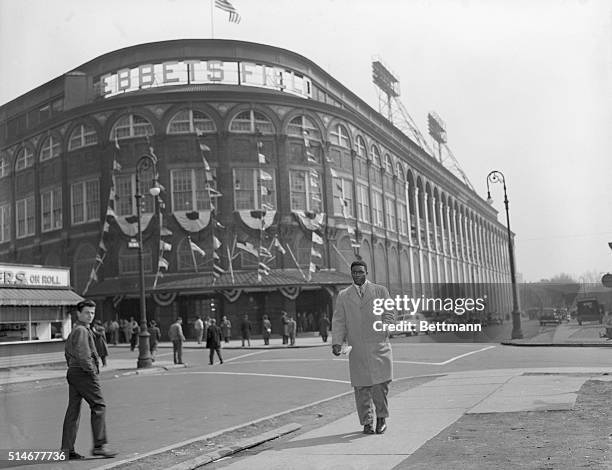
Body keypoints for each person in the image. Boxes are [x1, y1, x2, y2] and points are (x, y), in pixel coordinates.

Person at [332, 260, 395, 435]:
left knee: (379, 386)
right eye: (354, 272)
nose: (357, 275)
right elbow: (339, 320)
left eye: (360, 272)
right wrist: (337, 342)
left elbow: (389, 312)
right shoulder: (344, 295)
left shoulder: (380, 291)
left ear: (366, 272)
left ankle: (381, 418)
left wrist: (385, 328)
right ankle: (367, 422)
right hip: (357, 348)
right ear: (351, 274)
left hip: (378, 345)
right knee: (361, 388)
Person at [61, 299, 117, 459]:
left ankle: (67, 450)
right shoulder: (82, 331)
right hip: (83, 372)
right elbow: (84, 355)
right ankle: (100, 445)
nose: (90, 315)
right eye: (86, 312)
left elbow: (67, 352)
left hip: (74, 371)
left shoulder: (77, 329)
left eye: (92, 313)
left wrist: (73, 368)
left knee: (73, 411)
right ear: (79, 313)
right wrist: (91, 371)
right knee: (99, 405)